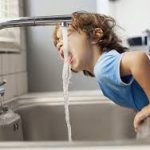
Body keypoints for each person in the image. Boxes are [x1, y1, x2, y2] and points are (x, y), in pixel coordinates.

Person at [53, 11, 150, 133]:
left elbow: (138, 59)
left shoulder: (103, 67)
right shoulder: (106, 69)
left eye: (65, 36)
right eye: (57, 43)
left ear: (95, 36)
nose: (60, 45)